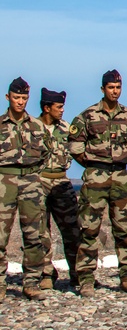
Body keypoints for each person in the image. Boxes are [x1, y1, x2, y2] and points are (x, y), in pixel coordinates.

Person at [67, 69, 127, 297]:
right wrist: (91, 162)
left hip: (120, 178)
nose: (115, 91)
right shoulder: (88, 116)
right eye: (111, 87)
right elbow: (74, 143)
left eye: (118, 87)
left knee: (124, 229)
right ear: (103, 89)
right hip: (95, 178)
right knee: (89, 229)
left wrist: (123, 157)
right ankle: (87, 279)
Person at [0, 77, 50, 301]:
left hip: (30, 182)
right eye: (17, 97)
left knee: (33, 235)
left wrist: (33, 174)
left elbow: (46, 153)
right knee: (1, 237)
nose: (20, 102)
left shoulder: (37, 126)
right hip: (4, 183)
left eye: (24, 98)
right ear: (8, 97)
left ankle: (31, 282)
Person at [37, 87, 81, 291]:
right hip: (38, 183)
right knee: (40, 232)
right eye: (59, 106)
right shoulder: (33, 128)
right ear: (47, 108)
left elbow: (75, 151)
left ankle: (77, 273)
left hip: (62, 183)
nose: (62, 110)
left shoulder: (66, 128)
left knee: (72, 230)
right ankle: (46, 273)